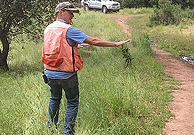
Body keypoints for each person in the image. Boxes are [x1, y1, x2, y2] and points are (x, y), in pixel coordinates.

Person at [41, 2, 130, 135]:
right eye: (70, 13)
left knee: (54, 99)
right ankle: (68, 132)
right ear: (60, 12)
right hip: (66, 74)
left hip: (50, 73)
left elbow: (55, 47)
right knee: (72, 102)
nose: (72, 16)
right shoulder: (68, 29)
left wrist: (74, 46)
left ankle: (51, 130)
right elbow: (93, 40)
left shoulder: (48, 28)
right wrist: (115, 44)